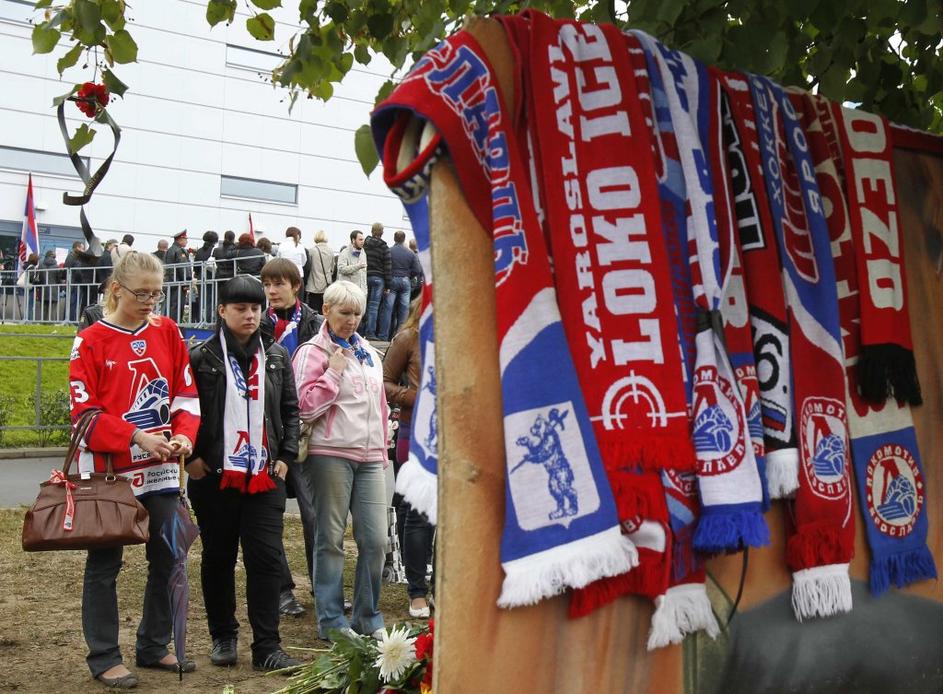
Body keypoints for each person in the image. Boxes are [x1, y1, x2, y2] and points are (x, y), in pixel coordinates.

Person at [68, 251, 201, 689]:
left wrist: (184, 436)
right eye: (141, 294)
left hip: (161, 470)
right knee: (105, 562)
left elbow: (185, 395)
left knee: (170, 553)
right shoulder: (90, 340)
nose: (149, 302)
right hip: (109, 472)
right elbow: (83, 415)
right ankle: (104, 655)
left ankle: (153, 642)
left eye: (156, 294)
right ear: (115, 290)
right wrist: (135, 436)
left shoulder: (167, 331)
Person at [186, 275, 302, 673]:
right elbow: (184, 409)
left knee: (266, 559)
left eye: (255, 308)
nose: (250, 315)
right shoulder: (201, 357)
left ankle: (267, 646)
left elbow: (290, 409)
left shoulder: (276, 356)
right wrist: (192, 458)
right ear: (222, 310)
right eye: (241, 308)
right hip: (215, 476)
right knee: (218, 557)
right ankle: (223, 636)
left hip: (265, 476)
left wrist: (287, 454)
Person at [293, 280, 389, 640]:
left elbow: (380, 405)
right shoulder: (312, 352)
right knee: (330, 538)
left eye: (357, 313)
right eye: (344, 312)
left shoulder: (369, 353)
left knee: (376, 540)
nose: (351, 320)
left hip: (370, 455)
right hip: (329, 452)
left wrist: (382, 447)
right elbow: (304, 407)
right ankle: (332, 621)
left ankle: (368, 616)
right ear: (326, 310)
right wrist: (333, 372)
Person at [259, 258, 324, 617]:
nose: (272, 291)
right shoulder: (257, 323)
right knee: (271, 517)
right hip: (268, 433)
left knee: (315, 515)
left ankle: (321, 584)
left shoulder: (316, 323)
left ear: (296, 286)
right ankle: (282, 589)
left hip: (307, 431)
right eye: (267, 284)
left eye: (279, 284)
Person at [382, 298, 434, 618]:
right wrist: (412, 396)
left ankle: (438, 583)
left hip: (458, 434)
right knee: (417, 512)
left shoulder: (466, 334)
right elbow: (383, 382)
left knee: (446, 516)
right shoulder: (409, 338)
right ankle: (417, 591)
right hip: (415, 432)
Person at [379, 231, 423, 340]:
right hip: (405, 281)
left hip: (392, 280)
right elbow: (417, 270)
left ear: (394, 239)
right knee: (404, 310)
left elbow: (384, 266)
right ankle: (399, 336)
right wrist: (408, 276)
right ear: (404, 239)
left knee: (388, 309)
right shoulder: (410, 253)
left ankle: (383, 335)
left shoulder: (389, 251)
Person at [361, 222, 391, 340]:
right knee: (373, 307)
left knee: (363, 305)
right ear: (382, 232)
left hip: (365, 277)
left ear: (372, 231)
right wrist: (388, 285)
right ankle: (370, 333)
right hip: (379, 279)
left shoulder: (365, 245)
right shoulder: (384, 247)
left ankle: (360, 331)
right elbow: (387, 267)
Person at [64, 240, 95, 321]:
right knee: (73, 303)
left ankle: (70, 319)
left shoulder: (71, 256)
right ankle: (71, 320)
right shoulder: (74, 257)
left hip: (72, 282)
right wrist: (82, 278)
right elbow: (77, 270)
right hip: (75, 283)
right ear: (78, 248)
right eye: (82, 248)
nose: (83, 250)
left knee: (72, 302)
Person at [304, 230, 334, 313]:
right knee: (324, 310)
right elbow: (332, 268)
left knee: (313, 310)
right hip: (326, 285)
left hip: (314, 285)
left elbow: (308, 267)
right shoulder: (331, 251)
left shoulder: (312, 251)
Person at [164, 230, 191, 322]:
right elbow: (183, 268)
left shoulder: (170, 250)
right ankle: (174, 325)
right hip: (178, 283)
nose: (187, 241)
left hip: (170, 282)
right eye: (185, 239)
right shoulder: (179, 251)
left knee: (170, 306)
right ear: (180, 239)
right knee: (177, 307)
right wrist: (186, 283)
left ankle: (168, 323)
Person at [192, 231, 218, 324]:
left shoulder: (199, 251)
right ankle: (209, 321)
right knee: (211, 300)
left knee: (202, 300)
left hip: (200, 278)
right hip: (211, 277)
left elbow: (195, 267)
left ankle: (201, 320)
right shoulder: (214, 250)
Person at [336, 230, 367, 295]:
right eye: (360, 240)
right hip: (349, 292)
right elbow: (341, 269)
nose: (363, 242)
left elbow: (364, 273)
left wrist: (365, 291)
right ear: (353, 240)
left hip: (361, 292)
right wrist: (357, 266)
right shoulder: (344, 252)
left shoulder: (363, 252)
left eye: (363, 239)